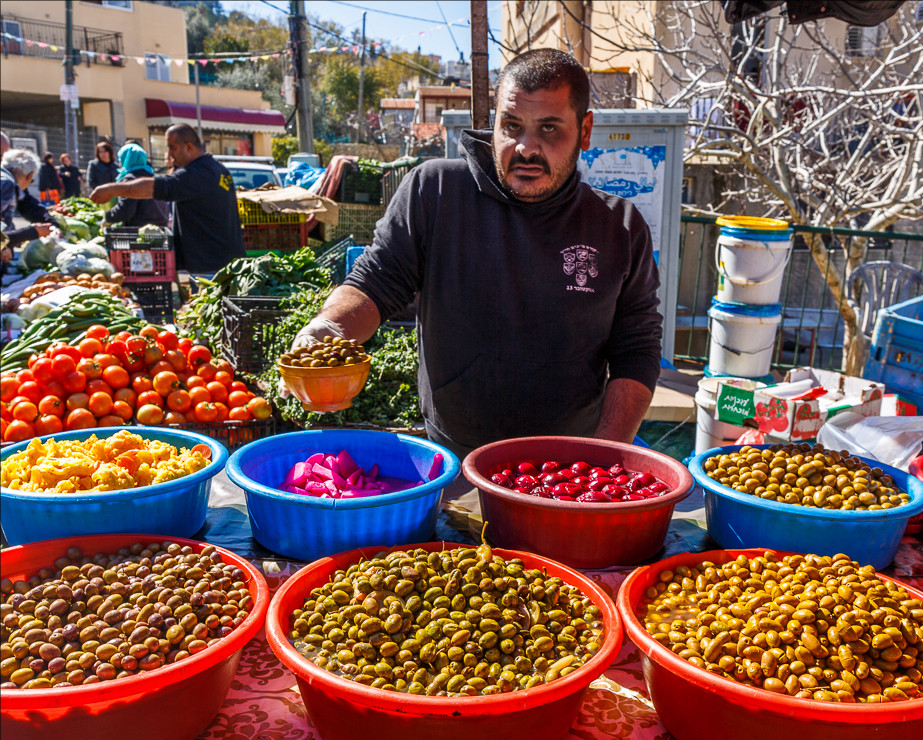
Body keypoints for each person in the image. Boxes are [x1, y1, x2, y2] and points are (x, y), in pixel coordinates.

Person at [294, 49, 663, 459]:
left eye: (549, 128)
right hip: (452, 454)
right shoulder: (434, 192)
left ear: (585, 129)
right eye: (512, 125)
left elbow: (637, 350)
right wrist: (326, 330)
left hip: (569, 466)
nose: (526, 147)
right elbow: (377, 281)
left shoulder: (620, 227)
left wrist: (603, 459)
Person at [90, 124, 244, 274]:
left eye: (172, 148)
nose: (170, 154)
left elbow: (156, 187)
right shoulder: (215, 168)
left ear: (189, 147)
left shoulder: (198, 174)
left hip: (212, 265)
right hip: (220, 260)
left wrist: (112, 189)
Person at [1, 149, 54, 275]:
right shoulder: (6, 184)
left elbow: (27, 202)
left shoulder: (7, 180)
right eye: (32, 180)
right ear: (29, 175)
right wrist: (29, 233)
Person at [103, 143, 169, 228]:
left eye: (120, 159)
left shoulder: (130, 180)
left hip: (141, 230)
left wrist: (108, 217)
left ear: (126, 159)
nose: (119, 163)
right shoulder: (153, 177)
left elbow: (125, 210)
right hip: (161, 227)